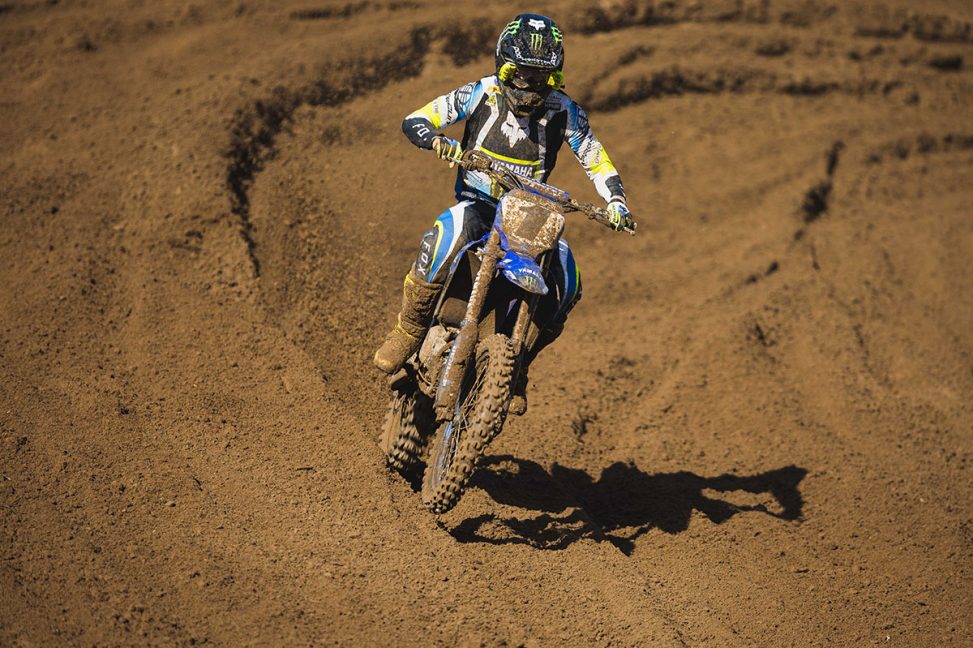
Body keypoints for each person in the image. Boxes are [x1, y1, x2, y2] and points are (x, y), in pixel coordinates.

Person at [373, 13, 635, 414]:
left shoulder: (566, 112)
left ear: (556, 78)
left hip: (530, 215)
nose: (531, 89)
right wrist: (437, 140)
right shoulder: (481, 93)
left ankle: (517, 367)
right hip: (479, 206)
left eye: (543, 79)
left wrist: (616, 202)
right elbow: (418, 119)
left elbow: (594, 158)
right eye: (523, 75)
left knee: (568, 278)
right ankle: (408, 330)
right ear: (504, 67)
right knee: (449, 231)